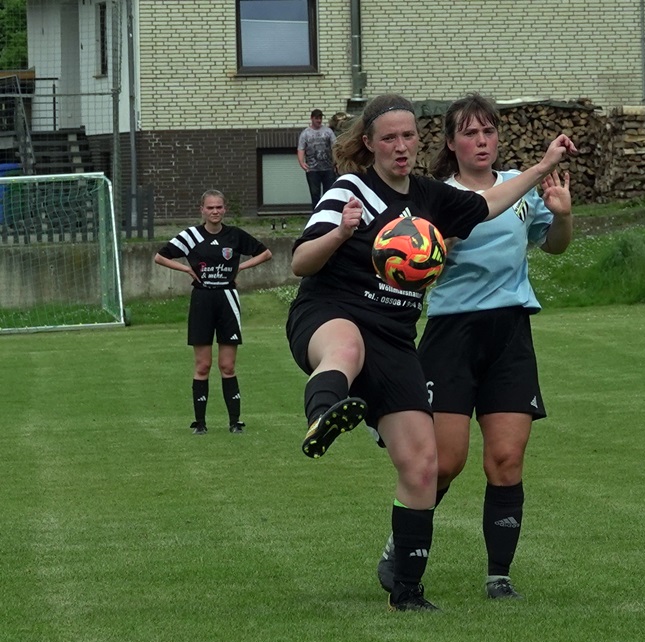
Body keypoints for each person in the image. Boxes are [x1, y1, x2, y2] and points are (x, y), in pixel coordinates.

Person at [285, 93, 576, 612]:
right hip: (334, 309)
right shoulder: (350, 189)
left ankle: (407, 592)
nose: (400, 146)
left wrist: (542, 167)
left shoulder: (429, 197)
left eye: (407, 136)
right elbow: (301, 262)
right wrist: (342, 232)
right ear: (369, 143)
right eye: (389, 138)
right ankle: (324, 413)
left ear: (419, 141)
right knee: (346, 347)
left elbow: (487, 205)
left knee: (423, 465)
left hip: (396, 335)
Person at [373, 94, 572, 601]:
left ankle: (498, 576)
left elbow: (554, 245)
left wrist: (563, 217)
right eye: (469, 133)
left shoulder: (519, 188)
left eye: (488, 131)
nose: (481, 141)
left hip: (510, 334)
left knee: (506, 458)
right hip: (452, 336)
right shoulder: (438, 197)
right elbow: (415, 263)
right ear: (450, 143)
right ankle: (401, 545)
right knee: (445, 461)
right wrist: (439, 248)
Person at [154, 190, 273, 435]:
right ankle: (200, 423)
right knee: (203, 365)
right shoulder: (191, 235)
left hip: (227, 299)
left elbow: (265, 253)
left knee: (227, 365)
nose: (215, 211)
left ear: (224, 209)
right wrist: (186, 270)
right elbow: (160, 257)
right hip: (202, 300)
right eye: (210, 207)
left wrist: (240, 267)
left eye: (219, 207)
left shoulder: (235, 235)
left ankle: (235, 422)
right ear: (202, 210)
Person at [297, 108, 338, 209]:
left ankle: (328, 213)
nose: (319, 120)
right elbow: (301, 148)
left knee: (329, 193)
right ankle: (316, 213)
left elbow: (335, 147)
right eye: (316, 118)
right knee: (315, 194)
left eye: (320, 118)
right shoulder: (305, 133)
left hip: (328, 169)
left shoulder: (328, 132)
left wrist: (336, 162)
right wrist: (301, 162)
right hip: (312, 170)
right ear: (312, 118)